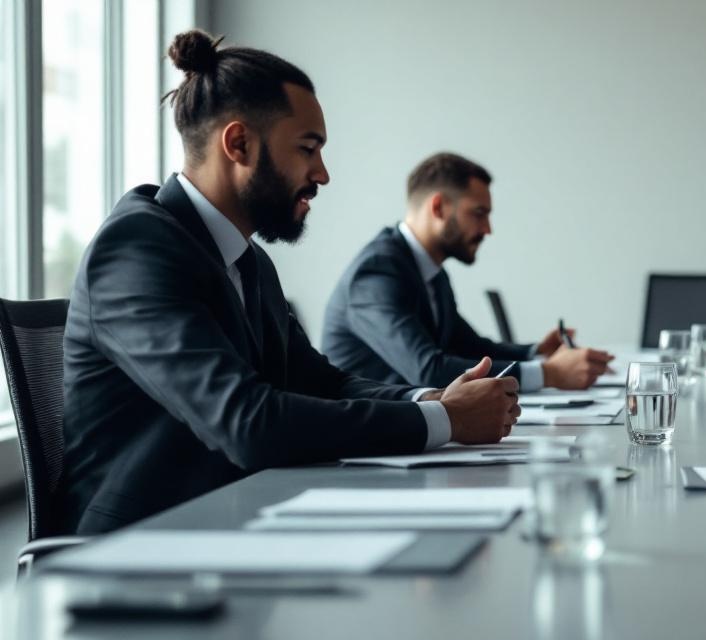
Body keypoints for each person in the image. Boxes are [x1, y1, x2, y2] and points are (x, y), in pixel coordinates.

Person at [59, 31, 519, 535]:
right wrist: (446, 423)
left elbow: (323, 381)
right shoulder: (136, 249)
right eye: (308, 149)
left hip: (235, 525)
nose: (322, 174)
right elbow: (246, 421)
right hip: (135, 557)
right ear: (238, 144)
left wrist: (428, 401)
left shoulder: (246, 258)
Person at [322, 152, 614, 390]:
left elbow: (469, 347)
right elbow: (429, 370)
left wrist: (536, 352)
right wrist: (547, 373)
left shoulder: (431, 272)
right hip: (371, 444)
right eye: (479, 213)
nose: (487, 229)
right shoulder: (376, 273)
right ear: (438, 207)